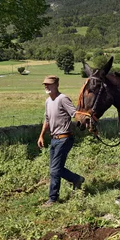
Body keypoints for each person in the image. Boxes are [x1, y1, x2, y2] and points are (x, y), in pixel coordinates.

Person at [37, 75, 84, 207]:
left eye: (49, 84)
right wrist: (41, 136)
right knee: (56, 168)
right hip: (54, 139)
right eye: (45, 84)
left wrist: (85, 121)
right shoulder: (48, 101)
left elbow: (74, 114)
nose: (47, 86)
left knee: (54, 170)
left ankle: (53, 199)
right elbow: (46, 120)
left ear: (57, 85)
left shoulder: (62, 99)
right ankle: (77, 179)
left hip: (64, 138)